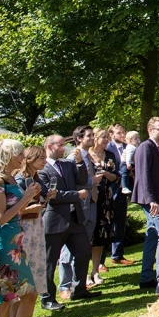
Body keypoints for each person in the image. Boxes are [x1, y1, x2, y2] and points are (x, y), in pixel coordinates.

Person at [0, 139, 43, 317]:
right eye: (19, 153)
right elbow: (0, 218)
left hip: (15, 245)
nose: (23, 157)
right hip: (1, 246)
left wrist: (29, 198)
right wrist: (25, 196)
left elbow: (17, 211)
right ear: (7, 156)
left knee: (29, 295)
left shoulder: (10, 179)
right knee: (3, 303)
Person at [39, 134, 100, 310]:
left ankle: (79, 289)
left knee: (83, 253)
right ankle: (47, 298)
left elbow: (82, 181)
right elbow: (51, 196)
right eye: (60, 145)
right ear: (49, 147)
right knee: (50, 262)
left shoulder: (67, 164)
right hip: (54, 221)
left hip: (75, 219)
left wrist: (80, 163)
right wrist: (76, 195)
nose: (64, 147)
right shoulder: (41, 169)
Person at [57, 126, 101, 300]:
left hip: (91, 203)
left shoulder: (87, 155)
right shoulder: (72, 157)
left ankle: (79, 285)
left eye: (92, 135)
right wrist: (92, 181)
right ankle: (65, 285)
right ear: (79, 138)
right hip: (79, 205)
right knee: (70, 248)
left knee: (83, 246)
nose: (92, 138)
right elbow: (72, 182)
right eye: (89, 136)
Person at [132, 117, 159, 294]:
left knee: (153, 236)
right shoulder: (145, 148)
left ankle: (147, 277)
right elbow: (142, 175)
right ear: (150, 130)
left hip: (158, 199)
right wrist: (151, 200)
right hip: (152, 201)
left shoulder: (157, 148)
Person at [14, 146, 55, 303]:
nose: (45, 161)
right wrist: (32, 207)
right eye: (41, 158)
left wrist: (47, 198)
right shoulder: (20, 179)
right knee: (26, 265)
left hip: (36, 224)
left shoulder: (36, 177)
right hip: (24, 226)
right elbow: (16, 206)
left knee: (36, 263)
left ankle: (31, 299)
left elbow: (40, 201)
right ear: (30, 160)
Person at [88, 127, 119, 286]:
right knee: (87, 237)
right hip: (90, 199)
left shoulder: (110, 155)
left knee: (100, 237)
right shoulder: (87, 155)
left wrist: (106, 174)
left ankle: (96, 271)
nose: (107, 140)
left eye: (108, 137)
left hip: (106, 199)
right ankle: (84, 272)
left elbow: (117, 177)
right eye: (104, 137)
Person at [105, 124, 133, 268]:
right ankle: (101, 261)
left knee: (119, 223)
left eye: (123, 132)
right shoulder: (107, 148)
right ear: (111, 134)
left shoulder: (128, 147)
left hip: (123, 190)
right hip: (110, 189)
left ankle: (117, 255)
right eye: (118, 133)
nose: (122, 135)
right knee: (105, 224)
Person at [120, 130, 140, 195]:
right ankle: (124, 186)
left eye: (138, 138)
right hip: (125, 163)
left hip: (131, 163)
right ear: (130, 140)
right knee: (124, 174)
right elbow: (128, 155)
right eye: (136, 138)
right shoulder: (130, 147)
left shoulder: (134, 147)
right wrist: (128, 163)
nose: (138, 140)